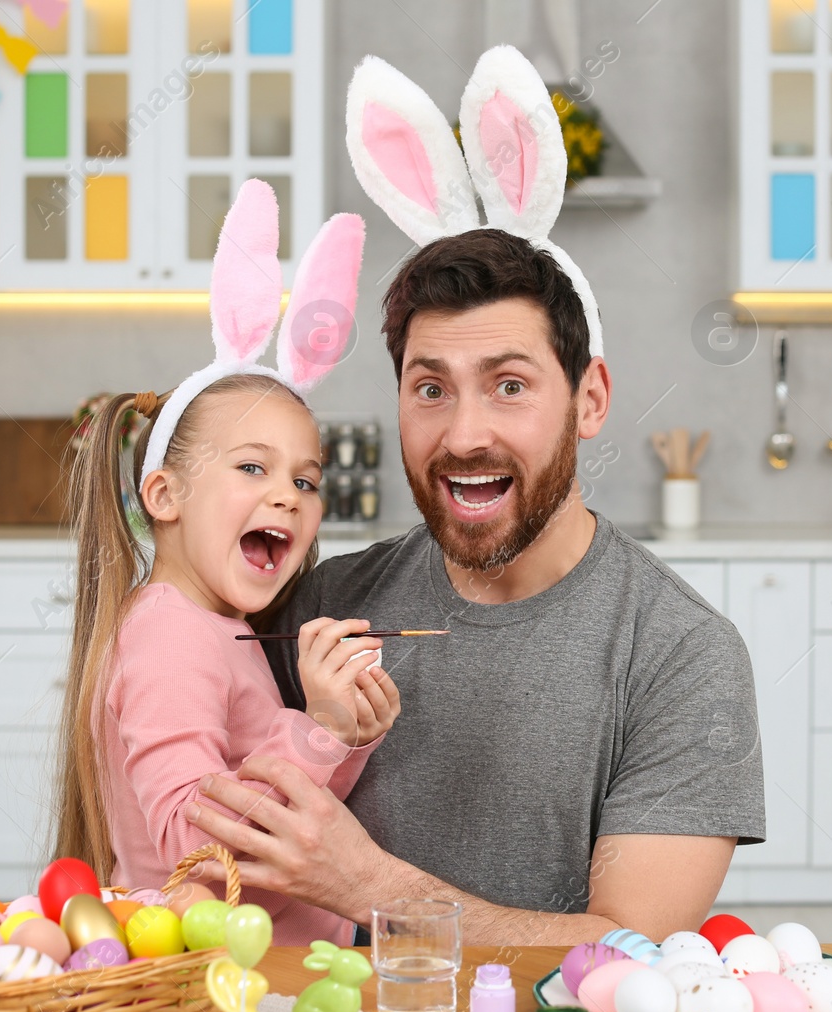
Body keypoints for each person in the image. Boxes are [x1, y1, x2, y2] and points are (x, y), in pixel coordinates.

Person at [185, 47, 764, 945]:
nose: (462, 435)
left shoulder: (682, 656)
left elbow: (629, 953)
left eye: (509, 384)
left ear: (592, 398)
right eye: (430, 388)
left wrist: (366, 881)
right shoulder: (323, 606)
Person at [51, 181, 399, 945]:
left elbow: (288, 824)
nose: (288, 496)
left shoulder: (214, 625)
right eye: (252, 468)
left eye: (307, 480)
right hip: (222, 983)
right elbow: (190, 846)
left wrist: (344, 736)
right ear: (164, 493)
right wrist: (316, 729)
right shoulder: (169, 635)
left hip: (270, 971)